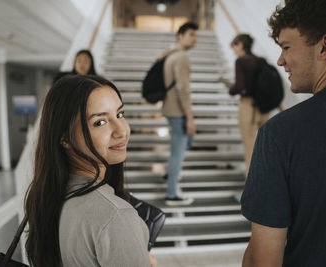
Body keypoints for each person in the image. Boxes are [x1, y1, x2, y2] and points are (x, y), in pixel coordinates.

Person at [241, 0, 326, 266]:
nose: (280, 60)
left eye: (287, 47)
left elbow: (263, 260)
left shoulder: (280, 133)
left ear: (324, 46)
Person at [24, 75, 156, 266]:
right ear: (65, 138)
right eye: (100, 122)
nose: (122, 130)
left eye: (119, 114)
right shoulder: (115, 216)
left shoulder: (47, 194)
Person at [161, 22, 198, 206]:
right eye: (191, 34)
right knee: (178, 152)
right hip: (178, 111)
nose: (195, 38)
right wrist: (190, 118)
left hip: (170, 108)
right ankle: (172, 193)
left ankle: (170, 175)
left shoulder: (171, 54)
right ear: (180, 36)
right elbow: (183, 89)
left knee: (182, 145)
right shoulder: (182, 56)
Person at [228, 34, 270, 177]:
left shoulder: (241, 61)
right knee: (263, 147)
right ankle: (265, 182)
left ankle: (252, 187)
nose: (234, 50)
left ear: (240, 44)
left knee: (250, 148)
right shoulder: (260, 60)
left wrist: (230, 89)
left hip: (248, 107)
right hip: (263, 108)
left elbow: (239, 87)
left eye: (234, 46)